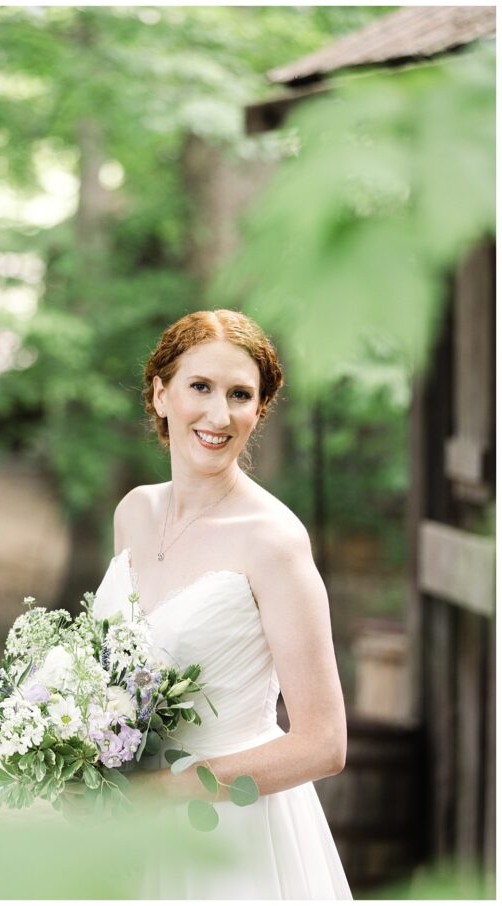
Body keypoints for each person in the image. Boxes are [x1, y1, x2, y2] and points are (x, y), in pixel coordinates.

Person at [93, 309, 351, 898]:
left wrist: (167, 790)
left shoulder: (274, 541)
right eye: (200, 387)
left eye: (240, 395)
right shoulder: (133, 512)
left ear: (259, 411)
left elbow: (324, 743)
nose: (218, 415)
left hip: (233, 833)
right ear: (161, 394)